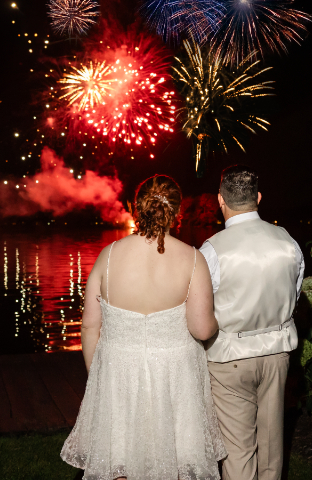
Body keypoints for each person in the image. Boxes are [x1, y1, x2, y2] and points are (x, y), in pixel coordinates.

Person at [61, 175, 228, 480]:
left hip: (119, 372)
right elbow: (203, 330)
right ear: (177, 213)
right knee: (174, 461)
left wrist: (98, 374)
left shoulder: (108, 256)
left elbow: (89, 326)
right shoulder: (193, 259)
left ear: (137, 209)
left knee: (120, 459)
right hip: (175, 377)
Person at [199, 165, 305, 480]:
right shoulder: (288, 241)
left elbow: (202, 311)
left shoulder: (211, 249)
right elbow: (294, 295)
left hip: (230, 358)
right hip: (276, 354)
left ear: (220, 200)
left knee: (238, 450)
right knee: (273, 444)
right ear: (258, 197)